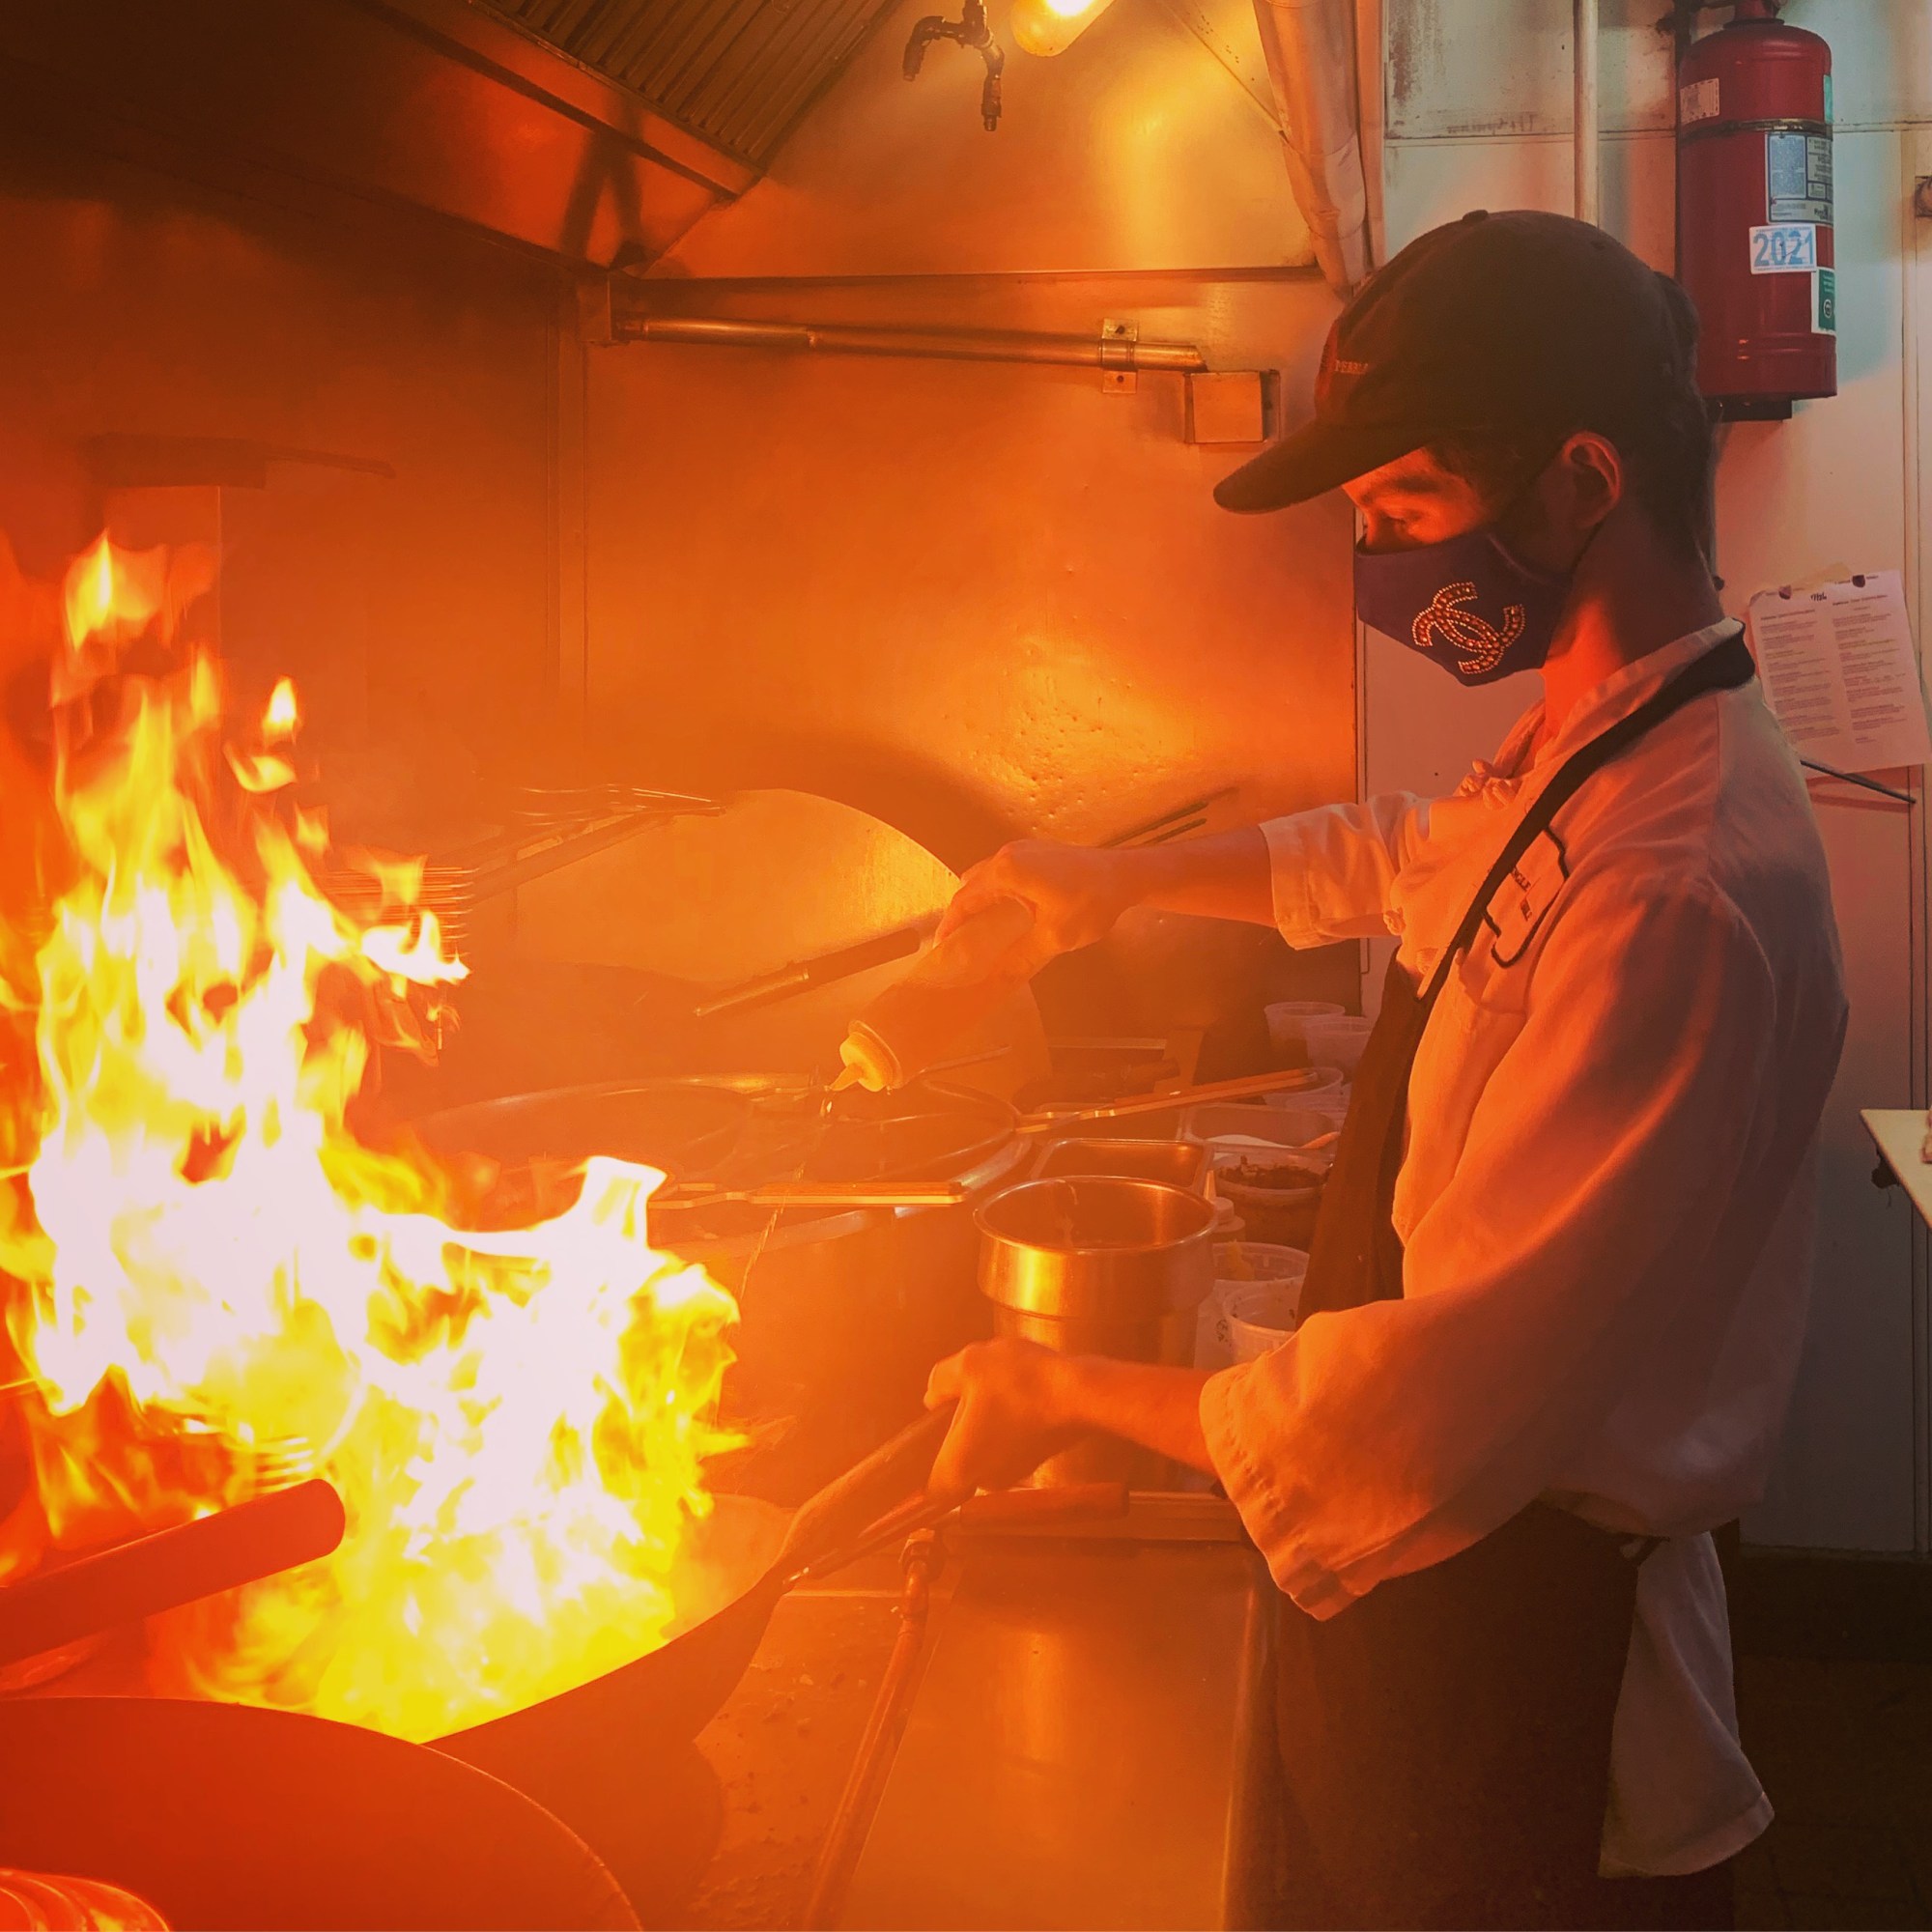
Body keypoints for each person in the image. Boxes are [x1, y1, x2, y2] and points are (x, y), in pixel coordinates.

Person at [923, 211, 1848, 1930]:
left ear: (1581, 481)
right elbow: (1414, 853)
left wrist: (1069, 1394)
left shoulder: (1678, 878)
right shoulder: (1609, 734)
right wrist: (1109, 887)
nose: (1379, 557)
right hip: (1450, 1616)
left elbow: (1424, 1421)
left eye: (1403, 512)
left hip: (1533, 1672)